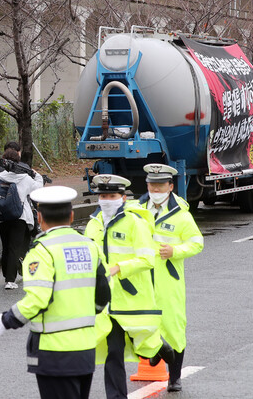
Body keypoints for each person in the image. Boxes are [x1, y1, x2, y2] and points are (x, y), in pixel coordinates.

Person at [0, 186, 111, 399]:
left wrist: (4, 321)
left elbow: (38, 299)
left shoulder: (42, 251)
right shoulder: (90, 246)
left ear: (39, 217)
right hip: (85, 348)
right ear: (72, 215)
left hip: (54, 352)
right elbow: (103, 295)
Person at [84, 174, 174, 399]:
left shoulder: (135, 223)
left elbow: (147, 260)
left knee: (141, 339)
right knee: (112, 352)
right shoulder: (93, 225)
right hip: (105, 300)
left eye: (112, 195)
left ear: (123, 198)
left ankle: (159, 348)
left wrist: (118, 268)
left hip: (131, 297)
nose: (106, 200)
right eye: (103, 195)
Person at [136, 164, 204, 392]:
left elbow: (197, 242)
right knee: (138, 321)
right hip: (140, 276)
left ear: (170, 186)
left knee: (173, 326)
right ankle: (156, 351)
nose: (155, 189)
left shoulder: (181, 215)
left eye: (160, 185)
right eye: (151, 184)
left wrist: (175, 251)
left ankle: (174, 377)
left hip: (168, 278)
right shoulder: (135, 210)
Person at [0, 148, 43, 289]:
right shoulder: (26, 179)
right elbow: (38, 189)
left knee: (6, 247)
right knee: (14, 247)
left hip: (2, 217)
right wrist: (36, 174)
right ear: (18, 162)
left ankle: (6, 277)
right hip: (19, 217)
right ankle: (10, 280)